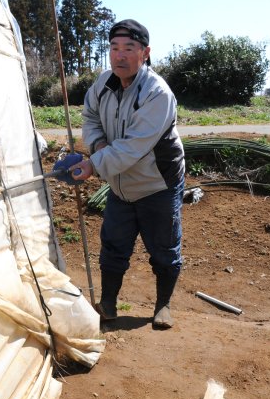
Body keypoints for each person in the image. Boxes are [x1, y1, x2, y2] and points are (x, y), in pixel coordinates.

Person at [70, 19, 185, 329]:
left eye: (128, 49)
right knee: (113, 244)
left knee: (163, 249)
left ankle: (163, 305)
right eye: (114, 48)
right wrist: (97, 144)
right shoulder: (104, 83)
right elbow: (90, 116)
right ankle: (107, 304)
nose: (119, 56)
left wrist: (94, 163)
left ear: (144, 53)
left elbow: (133, 147)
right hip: (120, 185)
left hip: (156, 184)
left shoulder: (156, 93)